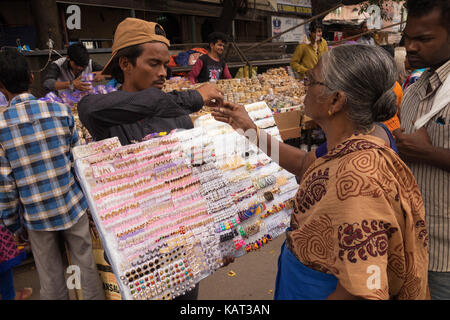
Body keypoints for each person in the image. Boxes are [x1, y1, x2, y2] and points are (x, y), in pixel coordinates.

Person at [212, 44, 429, 300]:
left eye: (311, 81)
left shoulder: (357, 178)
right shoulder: (353, 141)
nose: (304, 86)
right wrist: (247, 128)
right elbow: (305, 165)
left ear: (335, 101)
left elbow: (360, 291)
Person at [0, 49, 105, 300]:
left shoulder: (2, 126)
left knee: (51, 278)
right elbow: (79, 163)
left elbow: (5, 185)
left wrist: (14, 224)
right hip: (72, 206)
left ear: (1, 87)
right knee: (85, 266)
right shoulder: (60, 112)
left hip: (36, 215)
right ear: (31, 78)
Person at [78, 18, 224, 147]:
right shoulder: (106, 116)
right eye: (154, 63)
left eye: (165, 65)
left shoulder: (177, 115)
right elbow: (88, 109)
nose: (163, 73)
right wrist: (194, 97)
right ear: (125, 64)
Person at [392, 0, 450, 300]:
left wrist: (430, 154)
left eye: (424, 39)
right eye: (408, 38)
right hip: (409, 244)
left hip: (445, 255)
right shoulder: (414, 89)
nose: (411, 47)